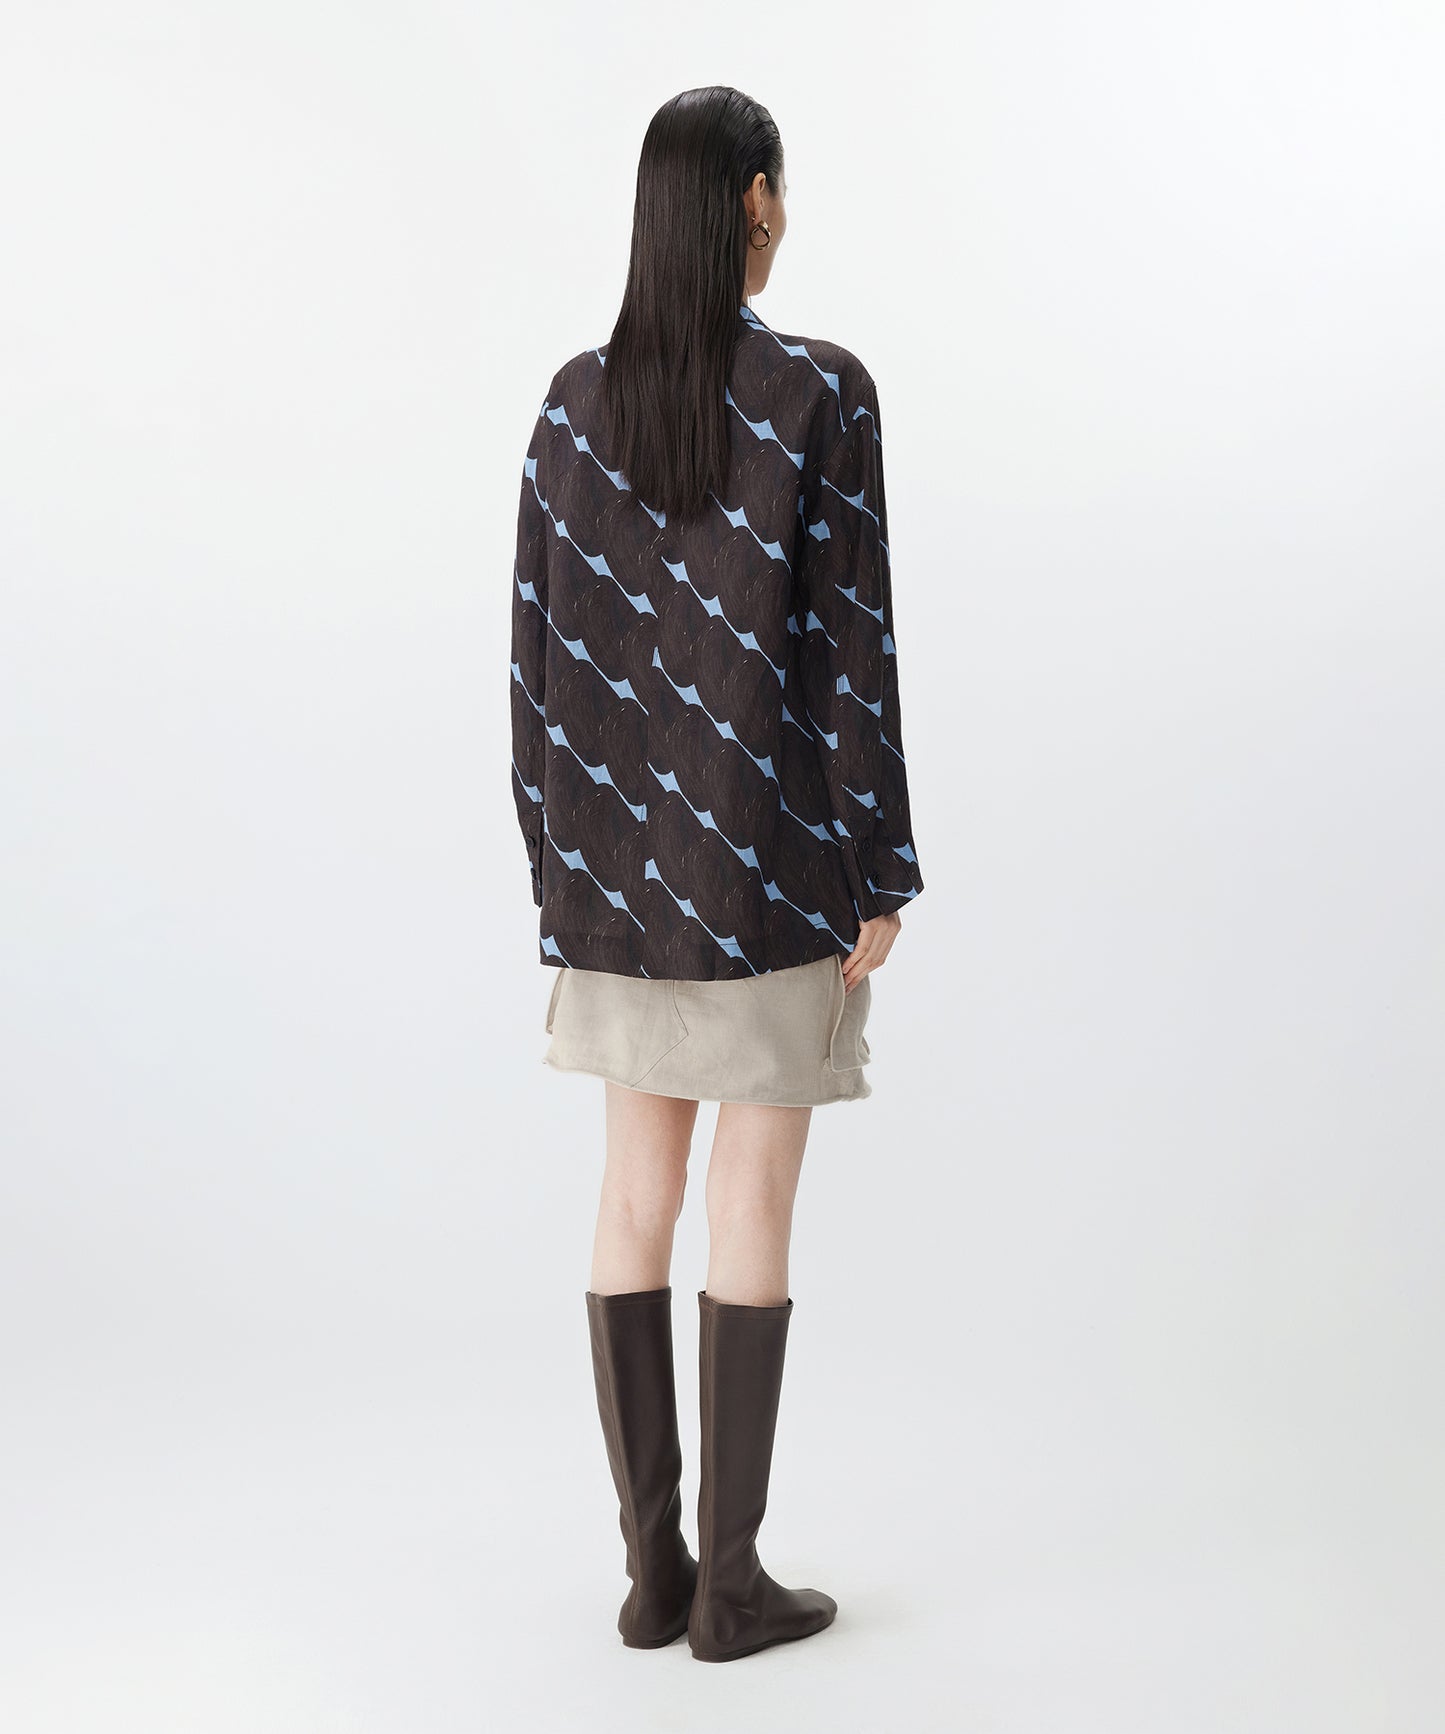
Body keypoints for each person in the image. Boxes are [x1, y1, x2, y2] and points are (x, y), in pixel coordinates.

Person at [508, 86, 925, 1663]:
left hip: (613, 882)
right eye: (777, 193)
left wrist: (558, 871)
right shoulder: (818, 392)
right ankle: (731, 1586)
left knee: (633, 1192)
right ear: (752, 202)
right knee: (748, 1196)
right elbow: (848, 654)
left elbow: (535, 663)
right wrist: (878, 866)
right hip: (771, 869)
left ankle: (653, 1571)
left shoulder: (570, 403)